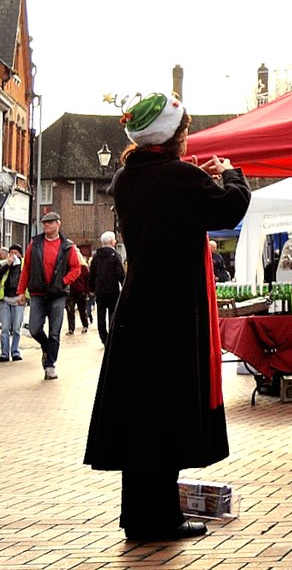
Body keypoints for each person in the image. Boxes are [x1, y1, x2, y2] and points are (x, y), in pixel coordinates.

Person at [84, 91, 250, 542]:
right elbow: (230, 207)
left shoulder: (128, 176)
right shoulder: (176, 176)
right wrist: (232, 174)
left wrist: (199, 179)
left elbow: (172, 206)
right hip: (173, 309)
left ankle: (139, 516)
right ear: (173, 135)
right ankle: (160, 518)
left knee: (142, 414)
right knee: (166, 411)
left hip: (138, 306)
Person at [16, 211, 82, 380]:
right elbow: (27, 269)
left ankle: (50, 365)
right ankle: (46, 347)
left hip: (58, 294)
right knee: (34, 329)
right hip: (38, 292)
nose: (46, 225)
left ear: (58, 224)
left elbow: (76, 268)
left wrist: (63, 281)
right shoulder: (35, 244)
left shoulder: (67, 246)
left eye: (50, 222)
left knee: (55, 331)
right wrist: (20, 291)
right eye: (44, 223)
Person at [89, 231, 125, 346]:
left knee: (101, 314)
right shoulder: (115, 256)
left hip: (100, 290)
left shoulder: (96, 257)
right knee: (112, 314)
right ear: (111, 241)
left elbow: (92, 274)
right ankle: (112, 337)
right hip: (113, 290)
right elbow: (120, 273)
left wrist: (91, 288)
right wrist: (124, 284)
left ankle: (103, 337)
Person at [0, 245, 23, 361]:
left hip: (18, 299)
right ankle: (4, 353)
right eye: (11, 252)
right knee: (4, 328)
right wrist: (7, 265)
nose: (14, 255)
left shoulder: (23, 265)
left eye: (16, 252)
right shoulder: (4, 264)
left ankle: (15, 352)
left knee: (16, 328)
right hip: (5, 299)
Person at [66, 255, 92, 336]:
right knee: (70, 311)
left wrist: (87, 291)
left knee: (82, 310)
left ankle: (85, 325)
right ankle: (71, 328)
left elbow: (88, 280)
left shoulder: (83, 268)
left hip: (81, 292)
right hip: (71, 292)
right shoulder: (68, 267)